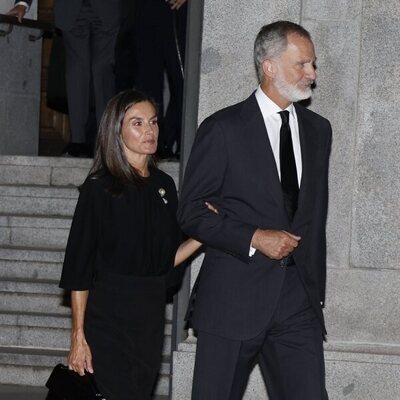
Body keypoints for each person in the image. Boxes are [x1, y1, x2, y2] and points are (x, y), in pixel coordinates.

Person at [178, 21, 332, 400]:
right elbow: (192, 212)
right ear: (269, 66)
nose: (312, 74)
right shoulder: (223, 128)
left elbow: (312, 216)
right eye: (302, 64)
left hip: (298, 302)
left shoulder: (319, 130)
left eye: (313, 65)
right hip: (234, 298)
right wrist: (252, 237)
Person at [59, 89, 202, 399]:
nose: (149, 130)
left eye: (152, 122)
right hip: (108, 312)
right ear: (117, 130)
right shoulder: (100, 188)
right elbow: (79, 267)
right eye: (137, 123)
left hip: (149, 313)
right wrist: (78, 335)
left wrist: (203, 236)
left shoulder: (164, 186)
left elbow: (166, 259)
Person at [8, 0, 122, 157]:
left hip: (107, 7)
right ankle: (78, 142)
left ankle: (107, 142)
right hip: (71, 7)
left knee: (102, 70)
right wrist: (22, 3)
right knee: (76, 72)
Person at [133, 0, 188, 160]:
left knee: (181, 79)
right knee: (148, 81)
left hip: (179, 9)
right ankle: (154, 142)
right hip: (148, 9)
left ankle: (179, 138)